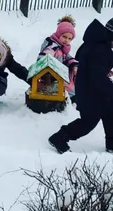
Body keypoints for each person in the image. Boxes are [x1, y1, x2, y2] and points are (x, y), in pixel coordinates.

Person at [48, 18, 113, 154]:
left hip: (92, 88)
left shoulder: (96, 43)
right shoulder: (101, 49)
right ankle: (60, 137)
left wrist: (104, 72)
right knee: (88, 122)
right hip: (91, 93)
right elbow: (97, 76)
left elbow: (91, 67)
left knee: (110, 113)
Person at [37, 15, 78, 103]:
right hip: (50, 77)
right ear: (59, 35)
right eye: (64, 37)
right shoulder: (53, 46)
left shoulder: (61, 47)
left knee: (73, 74)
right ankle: (72, 97)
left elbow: (67, 57)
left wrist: (74, 65)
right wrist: (47, 71)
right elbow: (43, 58)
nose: (66, 40)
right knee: (66, 83)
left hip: (59, 75)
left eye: (69, 38)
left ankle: (75, 94)